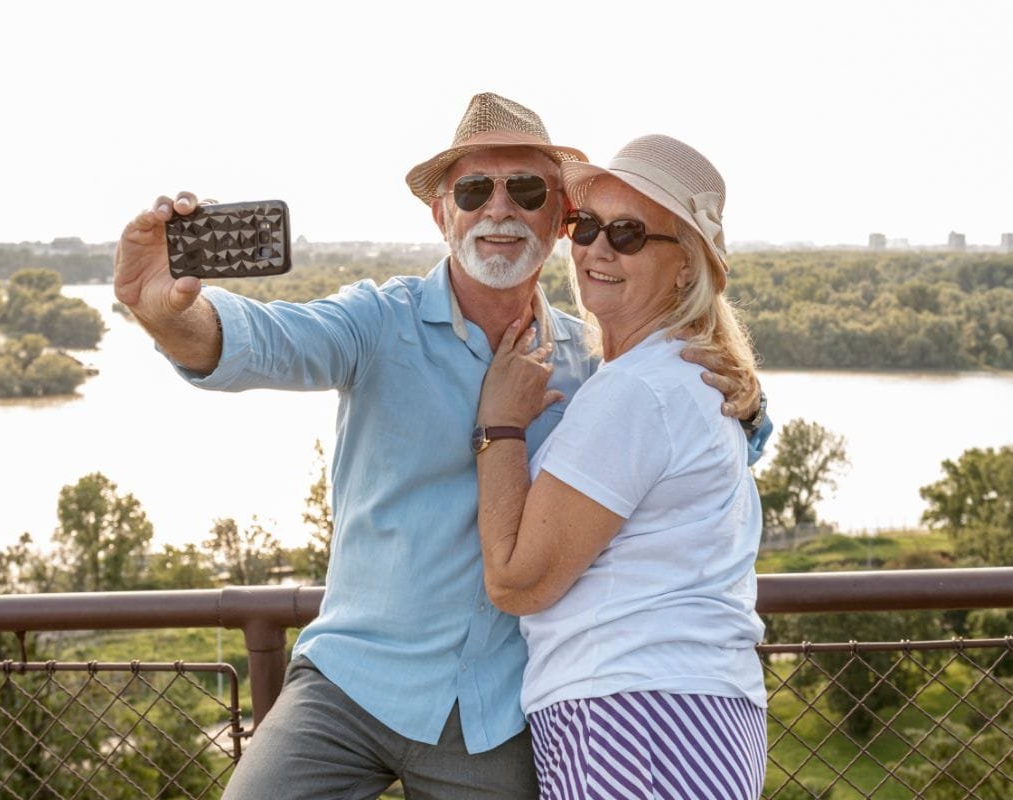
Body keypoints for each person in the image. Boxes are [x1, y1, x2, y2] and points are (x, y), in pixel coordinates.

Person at [113, 94, 769, 799]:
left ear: (556, 222)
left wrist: (750, 402)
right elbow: (263, 342)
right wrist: (166, 317)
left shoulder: (592, 361)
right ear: (441, 214)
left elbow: (691, 437)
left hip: (495, 710)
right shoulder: (378, 323)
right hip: (353, 683)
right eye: (473, 190)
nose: (498, 210)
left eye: (525, 191)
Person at [474, 134, 768, 799]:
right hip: (692, 714)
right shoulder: (685, 375)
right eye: (585, 226)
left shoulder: (639, 391)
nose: (597, 249)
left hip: (630, 714)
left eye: (630, 233)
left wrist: (500, 427)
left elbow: (518, 582)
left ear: (686, 266)